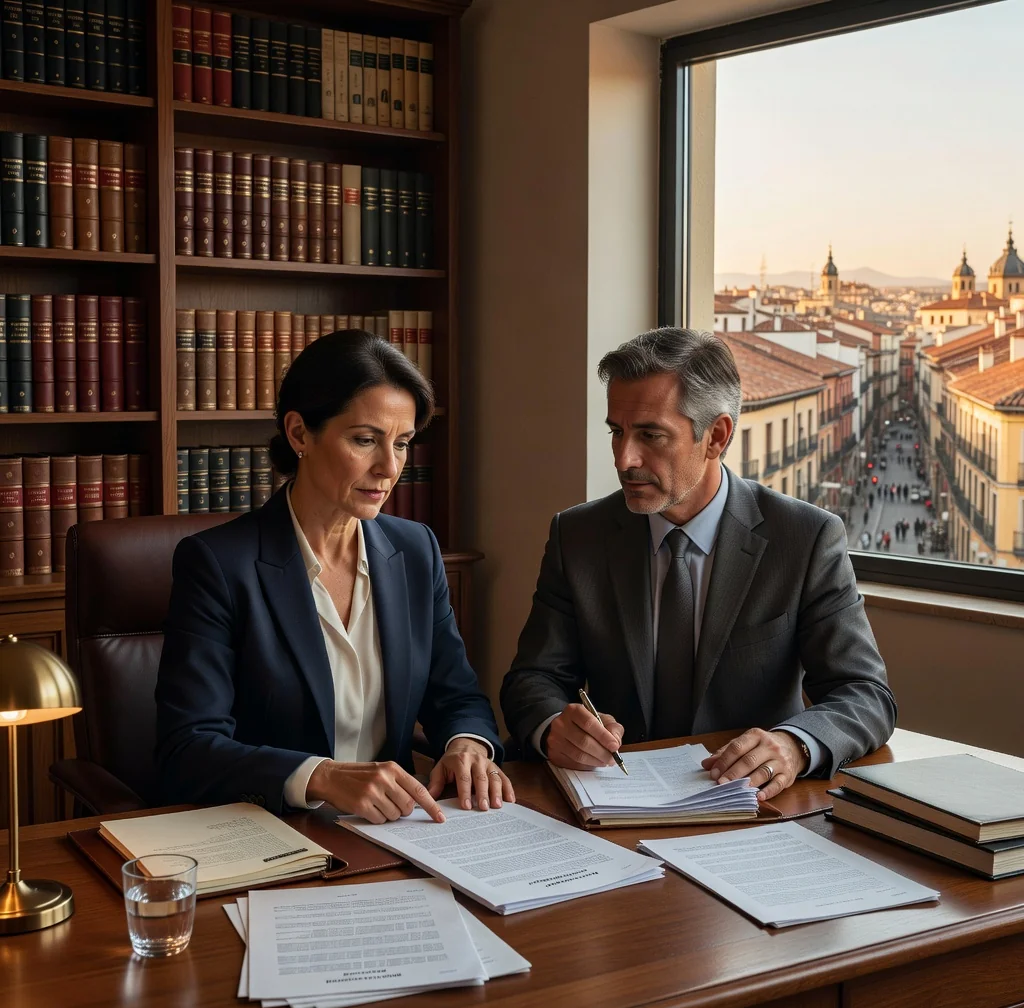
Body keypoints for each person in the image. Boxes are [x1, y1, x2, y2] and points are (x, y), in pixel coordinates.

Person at [501, 328, 895, 802]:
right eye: (617, 431)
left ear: (716, 436)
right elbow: (533, 679)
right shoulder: (578, 535)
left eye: (650, 435)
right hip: (614, 804)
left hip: (748, 808)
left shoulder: (805, 538)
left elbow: (864, 693)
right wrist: (551, 727)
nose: (624, 458)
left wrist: (794, 745)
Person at [156, 331, 511, 821]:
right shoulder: (218, 564)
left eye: (402, 443)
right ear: (300, 433)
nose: (389, 468)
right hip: (281, 833)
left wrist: (467, 744)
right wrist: (320, 775)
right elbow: (187, 748)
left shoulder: (415, 550)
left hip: (402, 830)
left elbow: (457, 695)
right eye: (365, 440)